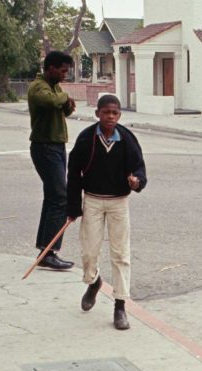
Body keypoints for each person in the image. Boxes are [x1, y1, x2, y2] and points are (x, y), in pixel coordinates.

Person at [66, 95, 147, 330]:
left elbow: (139, 168)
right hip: (92, 200)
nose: (111, 117)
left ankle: (120, 306)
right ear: (97, 114)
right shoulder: (86, 138)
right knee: (89, 252)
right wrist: (73, 206)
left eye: (115, 113)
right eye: (106, 113)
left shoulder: (127, 139)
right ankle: (94, 282)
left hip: (118, 202)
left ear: (119, 115)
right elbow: (73, 173)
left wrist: (137, 181)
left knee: (121, 254)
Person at [29, 51, 77, 271]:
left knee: (52, 198)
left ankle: (44, 248)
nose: (65, 75)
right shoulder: (39, 87)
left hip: (56, 146)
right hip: (45, 147)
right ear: (51, 68)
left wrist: (66, 103)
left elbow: (61, 107)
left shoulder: (55, 87)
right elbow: (50, 101)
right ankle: (50, 252)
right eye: (63, 70)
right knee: (60, 197)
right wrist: (66, 98)